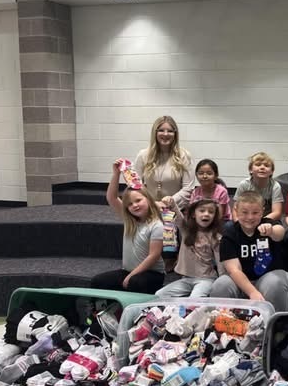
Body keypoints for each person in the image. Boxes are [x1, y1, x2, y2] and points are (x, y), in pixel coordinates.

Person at [91, 160, 165, 294]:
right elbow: (112, 198)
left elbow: (154, 255)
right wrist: (116, 174)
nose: (134, 205)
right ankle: (106, 311)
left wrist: (131, 276)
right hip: (128, 271)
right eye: (130, 204)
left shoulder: (156, 225)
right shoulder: (129, 220)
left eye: (138, 200)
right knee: (98, 281)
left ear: (148, 199)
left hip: (153, 273)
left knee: (134, 282)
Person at [210, 191, 288, 311]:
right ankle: (223, 324)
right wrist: (252, 292)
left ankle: (278, 325)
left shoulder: (267, 224)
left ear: (262, 211)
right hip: (241, 277)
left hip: (268, 275)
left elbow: (280, 233)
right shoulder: (230, 233)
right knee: (220, 285)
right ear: (236, 211)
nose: (250, 217)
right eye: (245, 212)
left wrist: (271, 231)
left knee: (275, 284)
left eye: (255, 213)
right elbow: (234, 270)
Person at [155, 198, 222, 298]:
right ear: (193, 214)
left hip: (206, 279)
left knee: (193, 300)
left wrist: (221, 282)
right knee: (159, 295)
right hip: (186, 279)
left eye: (211, 212)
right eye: (202, 210)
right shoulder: (186, 230)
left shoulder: (216, 237)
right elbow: (177, 215)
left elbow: (220, 262)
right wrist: (171, 202)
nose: (207, 214)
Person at [134, 115, 194, 206]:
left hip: (175, 208)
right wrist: (151, 204)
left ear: (175, 134)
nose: (165, 134)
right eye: (161, 130)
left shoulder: (184, 156)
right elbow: (136, 184)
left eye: (170, 131)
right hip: (150, 208)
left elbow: (188, 188)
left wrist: (167, 202)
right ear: (155, 133)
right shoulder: (143, 155)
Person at [232, 152, 284, 221]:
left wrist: (259, 222)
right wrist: (237, 222)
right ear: (250, 170)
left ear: (272, 171)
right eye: (258, 165)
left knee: (279, 230)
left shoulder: (275, 186)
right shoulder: (244, 184)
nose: (262, 167)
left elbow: (277, 212)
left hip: (267, 220)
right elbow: (235, 208)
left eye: (266, 165)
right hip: (246, 219)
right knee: (228, 226)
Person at [188, 159, 231, 225]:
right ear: (196, 175)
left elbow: (220, 215)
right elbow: (192, 212)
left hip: (220, 221)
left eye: (209, 173)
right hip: (202, 220)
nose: (204, 176)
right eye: (201, 173)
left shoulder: (222, 191)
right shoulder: (195, 192)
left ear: (216, 176)